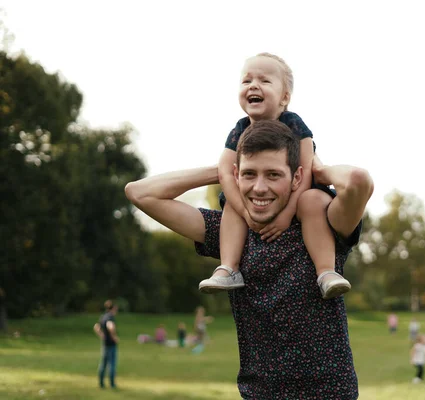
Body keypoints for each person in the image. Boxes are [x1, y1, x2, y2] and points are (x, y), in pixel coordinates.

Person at [124, 119, 374, 399]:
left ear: (296, 177)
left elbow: (357, 181)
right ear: (236, 175)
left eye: (273, 175)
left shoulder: (321, 226)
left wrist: (319, 171)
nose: (259, 187)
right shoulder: (231, 233)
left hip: (329, 392)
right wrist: (219, 172)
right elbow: (140, 192)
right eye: (249, 174)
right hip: (259, 393)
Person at [197, 52, 350, 300]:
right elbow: (225, 170)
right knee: (231, 202)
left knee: (311, 200)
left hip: (298, 196)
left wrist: (288, 214)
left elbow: (306, 167)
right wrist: (245, 211)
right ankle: (228, 268)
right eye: (246, 81)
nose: (253, 85)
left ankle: (326, 272)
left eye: (265, 81)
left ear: (284, 97)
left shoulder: (293, 122)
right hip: (259, 202)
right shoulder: (239, 129)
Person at [93, 300, 119, 389]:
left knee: (103, 364)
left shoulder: (103, 317)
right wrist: (114, 337)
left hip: (105, 344)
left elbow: (96, 327)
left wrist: (102, 335)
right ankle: (112, 384)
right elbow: (110, 326)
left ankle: (101, 383)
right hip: (111, 344)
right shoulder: (110, 317)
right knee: (112, 364)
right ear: (113, 308)